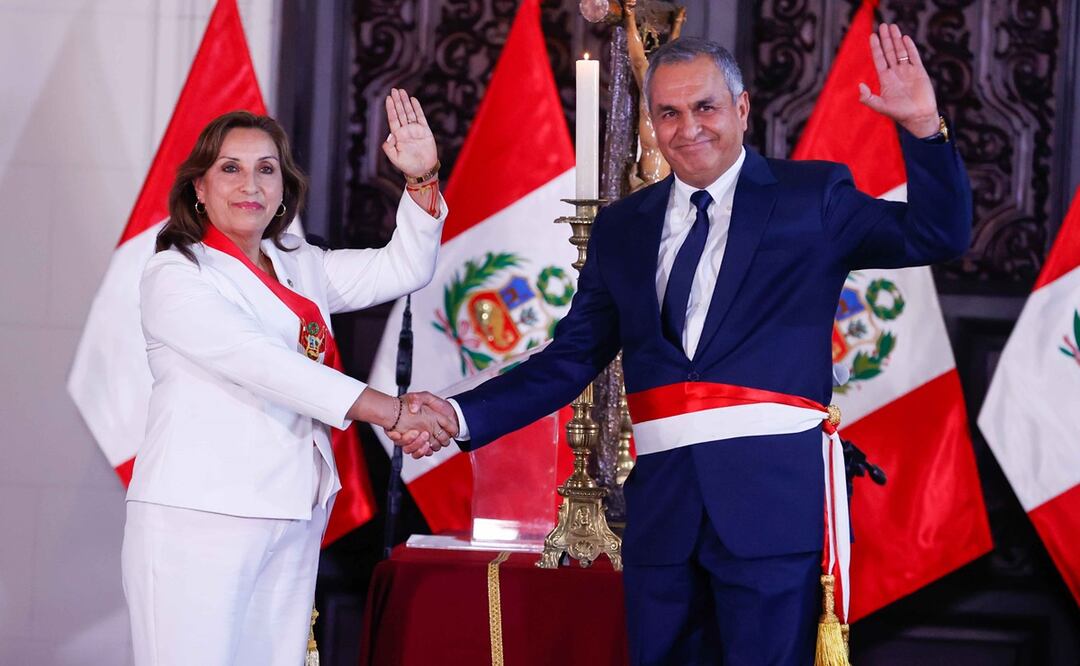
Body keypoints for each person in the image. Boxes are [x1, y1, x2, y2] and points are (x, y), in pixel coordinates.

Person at [394, 25, 971, 665]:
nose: (687, 128)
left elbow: (937, 234)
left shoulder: (815, 197)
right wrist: (458, 414)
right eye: (667, 113)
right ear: (651, 124)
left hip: (772, 512)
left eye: (705, 107)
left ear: (742, 109)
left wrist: (924, 128)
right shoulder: (623, 228)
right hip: (664, 519)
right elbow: (570, 361)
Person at [121, 91, 458, 666]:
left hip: (293, 509)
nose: (250, 185)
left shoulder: (300, 262)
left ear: (283, 189)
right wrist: (392, 411)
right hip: (201, 516)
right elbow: (265, 365)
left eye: (266, 170)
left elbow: (403, 268)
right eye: (230, 169)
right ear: (198, 188)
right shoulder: (175, 274)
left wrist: (422, 177)